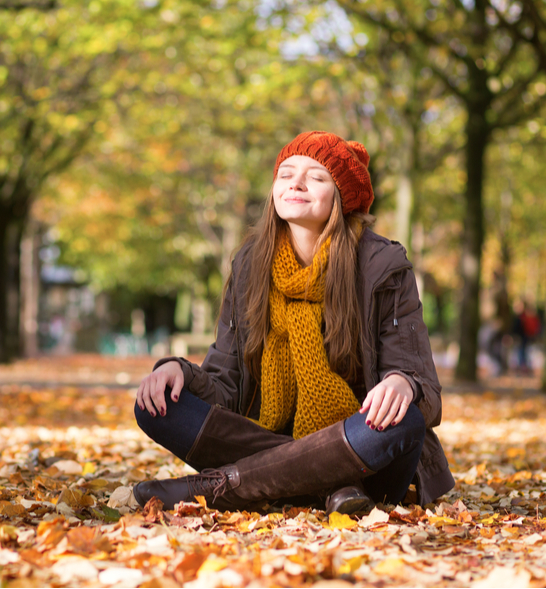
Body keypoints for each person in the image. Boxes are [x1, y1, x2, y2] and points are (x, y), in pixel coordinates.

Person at [131, 131, 454, 515]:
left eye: (315, 177)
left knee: (406, 420)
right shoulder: (251, 264)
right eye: (285, 174)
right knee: (156, 405)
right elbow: (226, 386)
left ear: (341, 196)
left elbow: (427, 394)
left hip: (366, 455)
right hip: (276, 435)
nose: (295, 184)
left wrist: (403, 383)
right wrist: (177, 370)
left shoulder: (381, 266)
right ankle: (332, 488)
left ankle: (218, 487)